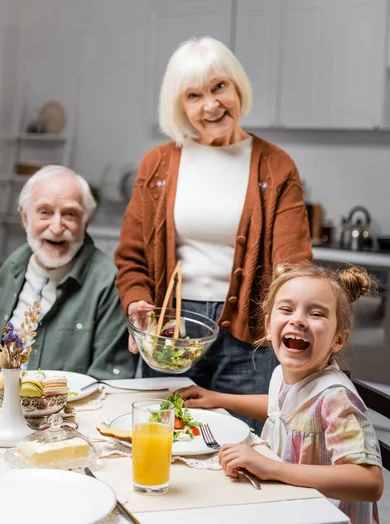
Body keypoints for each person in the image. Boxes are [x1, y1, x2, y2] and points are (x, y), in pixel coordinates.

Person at [115, 36, 312, 432]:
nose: (211, 104)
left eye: (219, 87)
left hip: (248, 336)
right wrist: (137, 301)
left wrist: (291, 320)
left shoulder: (275, 165)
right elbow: (132, 256)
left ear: (237, 86)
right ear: (179, 105)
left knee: (240, 448)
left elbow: (292, 265)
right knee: (158, 438)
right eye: (194, 95)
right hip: (169, 333)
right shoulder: (157, 165)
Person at [178, 264, 383, 524]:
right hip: (288, 505)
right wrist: (218, 398)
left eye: (316, 313)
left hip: (324, 515)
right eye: (286, 309)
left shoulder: (335, 397)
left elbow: (369, 482)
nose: (297, 319)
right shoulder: (283, 375)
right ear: (267, 325)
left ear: (338, 340)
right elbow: (282, 409)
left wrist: (272, 468)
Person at [0, 165, 137, 380]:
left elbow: (109, 382)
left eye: (70, 214)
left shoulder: (109, 283)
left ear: (86, 222)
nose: (56, 227)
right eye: (45, 212)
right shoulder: (12, 266)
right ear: (25, 218)